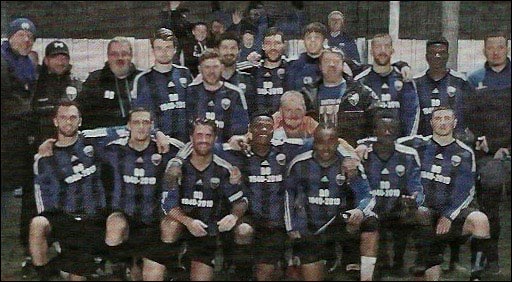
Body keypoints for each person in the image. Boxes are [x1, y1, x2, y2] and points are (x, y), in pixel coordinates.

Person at [397, 107, 491, 281]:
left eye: (447, 118)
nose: (442, 122)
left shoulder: (464, 152)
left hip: (450, 214)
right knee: (431, 276)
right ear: (431, 122)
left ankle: (476, 276)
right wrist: (365, 144)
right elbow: (387, 140)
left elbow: (466, 191)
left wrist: (448, 215)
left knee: (480, 221)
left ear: (455, 123)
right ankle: (426, 260)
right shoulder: (417, 144)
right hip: (423, 215)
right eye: (438, 118)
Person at [284, 125, 378, 281]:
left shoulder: (350, 165)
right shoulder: (299, 164)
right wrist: (291, 226)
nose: (326, 148)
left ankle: (363, 274)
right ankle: (326, 262)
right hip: (311, 230)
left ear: (338, 143)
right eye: (321, 142)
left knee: (370, 221)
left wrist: (360, 211)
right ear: (314, 143)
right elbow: (288, 194)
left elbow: (367, 196)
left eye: (331, 142)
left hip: (339, 224)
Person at [103, 107, 185, 281]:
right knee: (114, 224)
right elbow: (80, 136)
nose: (141, 127)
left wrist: (177, 161)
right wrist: (50, 142)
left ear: (152, 126)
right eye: (136, 122)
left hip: (154, 222)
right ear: (128, 125)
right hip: (127, 219)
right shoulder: (113, 149)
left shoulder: (165, 148)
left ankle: (170, 263)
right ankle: (121, 266)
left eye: (145, 122)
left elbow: (195, 146)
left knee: (152, 277)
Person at [161, 118, 248, 281]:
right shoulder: (177, 167)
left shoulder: (224, 167)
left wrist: (234, 216)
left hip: (206, 231)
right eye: (199, 135)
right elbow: (167, 204)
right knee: (169, 226)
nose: (203, 140)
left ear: (215, 138)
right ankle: (172, 263)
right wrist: (188, 222)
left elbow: (240, 201)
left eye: (208, 136)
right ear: (191, 137)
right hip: (184, 225)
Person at [30, 101, 107, 280]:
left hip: (92, 219)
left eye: (73, 117)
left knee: (75, 277)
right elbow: (41, 200)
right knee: (37, 224)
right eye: (63, 118)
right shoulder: (44, 158)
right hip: (65, 219)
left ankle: (86, 263)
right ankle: (45, 275)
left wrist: (158, 134)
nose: (68, 122)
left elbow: (130, 128)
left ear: (80, 121)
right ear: (55, 121)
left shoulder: (93, 141)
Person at [465, 32, 511, 275]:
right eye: (490, 47)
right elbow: (469, 119)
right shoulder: (474, 79)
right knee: (489, 206)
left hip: (508, 150)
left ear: (506, 48)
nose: (495, 52)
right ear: (484, 50)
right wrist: (490, 146)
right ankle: (489, 259)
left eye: (500, 47)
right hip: (487, 155)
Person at [359, 114, 426, 277]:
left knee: (411, 212)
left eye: (392, 129)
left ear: (397, 133)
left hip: (397, 206)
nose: (388, 133)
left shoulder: (408, 155)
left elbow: (416, 186)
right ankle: (377, 261)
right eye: (383, 129)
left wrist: (413, 200)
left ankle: (400, 261)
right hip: (371, 208)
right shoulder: (362, 155)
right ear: (375, 131)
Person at [1, 17, 38, 261]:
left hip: (19, 141)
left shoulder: (27, 64)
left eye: (30, 37)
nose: (26, 40)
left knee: (22, 196)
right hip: (5, 140)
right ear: (10, 36)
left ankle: (21, 250)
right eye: (21, 35)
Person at [301, 47, 379, 146]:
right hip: (319, 153)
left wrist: (366, 144)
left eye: (336, 61)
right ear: (320, 66)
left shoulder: (362, 92)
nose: (332, 65)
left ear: (343, 65)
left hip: (354, 152)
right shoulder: (308, 94)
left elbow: (378, 121)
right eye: (327, 61)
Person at [131, 28, 193, 142]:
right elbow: (139, 114)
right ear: (153, 50)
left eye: (168, 48)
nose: (164, 53)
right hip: (157, 141)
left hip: (186, 141)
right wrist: (156, 133)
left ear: (175, 49)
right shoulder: (142, 79)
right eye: (159, 48)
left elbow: (193, 107)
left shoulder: (185, 73)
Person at [354, 33, 419, 137]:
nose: (382, 50)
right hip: (370, 146)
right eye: (378, 47)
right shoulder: (360, 81)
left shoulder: (405, 79)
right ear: (371, 51)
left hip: (398, 146)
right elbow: (357, 118)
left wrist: (406, 142)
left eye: (386, 46)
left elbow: (412, 114)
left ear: (392, 50)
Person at [77, 36, 142, 130]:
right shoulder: (95, 79)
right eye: (114, 54)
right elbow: (82, 112)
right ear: (108, 56)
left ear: (131, 56)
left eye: (124, 54)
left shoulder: (142, 79)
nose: (120, 58)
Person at [186, 51, 249, 143]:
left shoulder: (234, 93)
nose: (211, 71)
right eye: (207, 67)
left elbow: (242, 127)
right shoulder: (190, 92)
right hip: (197, 150)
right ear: (200, 69)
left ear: (222, 68)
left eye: (215, 67)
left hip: (227, 150)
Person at [414, 37, 470, 137]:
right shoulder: (416, 83)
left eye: (442, 52)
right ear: (427, 56)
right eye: (433, 53)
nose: (437, 56)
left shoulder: (460, 82)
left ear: (447, 56)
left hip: (453, 144)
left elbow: (471, 113)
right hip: (423, 145)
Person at [33, 40, 82, 143]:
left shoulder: (76, 84)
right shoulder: (35, 83)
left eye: (64, 58)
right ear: (46, 60)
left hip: (70, 143)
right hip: (41, 142)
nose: (61, 62)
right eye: (56, 58)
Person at [246, 27, 290, 115]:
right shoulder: (252, 72)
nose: (273, 48)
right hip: (257, 124)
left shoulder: (291, 70)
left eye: (277, 43)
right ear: (263, 46)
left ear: (284, 45)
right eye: (268, 43)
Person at [216, 32, 256, 117]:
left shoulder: (249, 80)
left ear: (239, 51)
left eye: (233, 48)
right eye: (225, 48)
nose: (229, 52)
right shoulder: (210, 81)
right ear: (217, 51)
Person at [286, 22, 327, 92]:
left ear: (324, 41)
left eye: (317, 37)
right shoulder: (294, 66)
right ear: (303, 41)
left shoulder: (332, 63)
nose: (312, 41)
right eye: (308, 37)